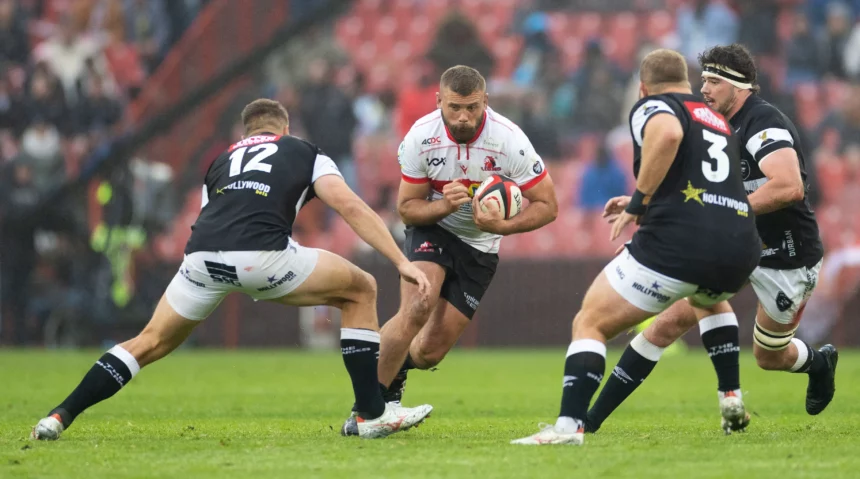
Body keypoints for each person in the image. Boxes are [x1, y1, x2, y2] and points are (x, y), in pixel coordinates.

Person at [31, 99, 434, 441]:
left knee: (148, 341)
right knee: (361, 288)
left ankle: (58, 416)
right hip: (263, 257)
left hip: (201, 260)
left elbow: (212, 216)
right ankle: (370, 414)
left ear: (245, 133)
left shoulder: (221, 160)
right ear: (285, 129)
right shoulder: (303, 150)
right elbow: (349, 206)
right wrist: (401, 261)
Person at [583, 44, 837, 436]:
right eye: (703, 79)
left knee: (770, 356)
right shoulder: (709, 124)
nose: (704, 88)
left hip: (787, 253)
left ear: (741, 86)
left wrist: (727, 212)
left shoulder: (763, 120)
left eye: (715, 81)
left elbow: (789, 186)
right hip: (732, 244)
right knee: (665, 326)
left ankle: (818, 364)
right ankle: (590, 421)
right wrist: (644, 207)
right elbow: (695, 192)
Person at [512, 49, 761, 446]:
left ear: (643, 88)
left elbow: (668, 134)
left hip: (683, 245)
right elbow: (698, 187)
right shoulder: (717, 120)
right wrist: (642, 202)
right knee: (709, 299)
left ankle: (568, 427)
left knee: (591, 321)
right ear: (689, 83)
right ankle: (730, 394)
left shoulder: (655, 105)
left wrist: (639, 202)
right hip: (740, 248)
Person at [341, 65, 558, 435]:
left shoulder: (509, 140)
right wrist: (443, 205)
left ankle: (393, 375)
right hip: (434, 228)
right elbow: (407, 208)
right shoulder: (421, 137)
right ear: (438, 100)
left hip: (481, 246)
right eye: (454, 107)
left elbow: (548, 206)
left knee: (429, 352)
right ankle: (366, 411)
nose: (463, 117)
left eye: (472, 107)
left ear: (485, 101)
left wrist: (501, 227)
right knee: (417, 306)